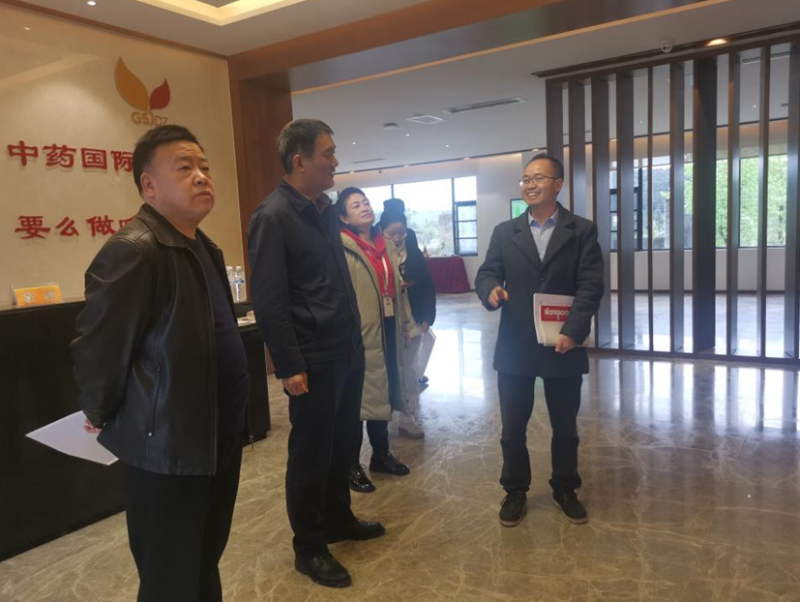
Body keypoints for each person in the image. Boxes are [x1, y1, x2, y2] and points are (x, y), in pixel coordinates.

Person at [71, 125, 249, 602]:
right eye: (185, 167)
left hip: (214, 438)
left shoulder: (202, 246)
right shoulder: (134, 249)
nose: (202, 176)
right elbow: (99, 346)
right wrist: (98, 410)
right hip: (167, 447)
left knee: (203, 560)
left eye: (205, 167)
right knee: (170, 576)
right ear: (149, 185)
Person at [247, 119, 383, 589]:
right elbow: (270, 299)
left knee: (343, 443)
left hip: (346, 348)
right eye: (327, 154)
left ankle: (337, 519)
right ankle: (308, 546)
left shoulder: (324, 209)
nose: (335, 162)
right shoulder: (273, 216)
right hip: (313, 357)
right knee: (310, 453)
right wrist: (289, 364)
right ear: (299, 161)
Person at [475, 153, 603, 528]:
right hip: (516, 344)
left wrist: (573, 330)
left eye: (539, 178)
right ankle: (515, 489)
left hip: (562, 343)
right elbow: (486, 273)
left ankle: (565, 488)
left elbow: (591, 284)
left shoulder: (581, 231)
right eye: (526, 179)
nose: (530, 184)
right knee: (513, 428)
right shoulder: (505, 232)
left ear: (557, 185)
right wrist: (491, 289)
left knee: (565, 428)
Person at [336, 188, 413, 493]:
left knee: (384, 391)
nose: (364, 207)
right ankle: (350, 464)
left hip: (388, 325)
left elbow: (399, 290)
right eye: (356, 205)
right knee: (359, 400)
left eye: (366, 202)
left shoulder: (385, 245)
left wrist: (406, 324)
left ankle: (381, 455)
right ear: (344, 217)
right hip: (360, 333)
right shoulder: (343, 248)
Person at [379, 209, 436, 439]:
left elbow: (428, 285)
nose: (397, 238)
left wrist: (427, 318)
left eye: (401, 233)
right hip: (388, 325)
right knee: (388, 371)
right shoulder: (377, 254)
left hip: (413, 320)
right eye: (391, 233)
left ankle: (407, 418)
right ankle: (383, 416)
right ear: (382, 231)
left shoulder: (413, 253)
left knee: (411, 371)